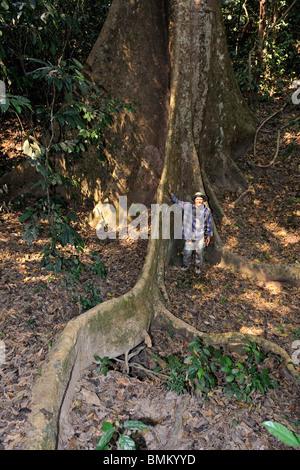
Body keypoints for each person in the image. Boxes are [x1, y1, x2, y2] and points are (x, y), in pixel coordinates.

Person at [168, 184, 213, 273]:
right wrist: (171, 193)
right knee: (187, 252)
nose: (199, 201)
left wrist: (209, 236)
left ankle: (197, 267)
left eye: (201, 199)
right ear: (195, 200)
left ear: (203, 201)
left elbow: (209, 223)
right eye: (197, 199)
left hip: (200, 236)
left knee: (199, 253)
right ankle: (186, 265)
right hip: (189, 235)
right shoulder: (188, 206)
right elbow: (178, 202)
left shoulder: (207, 211)